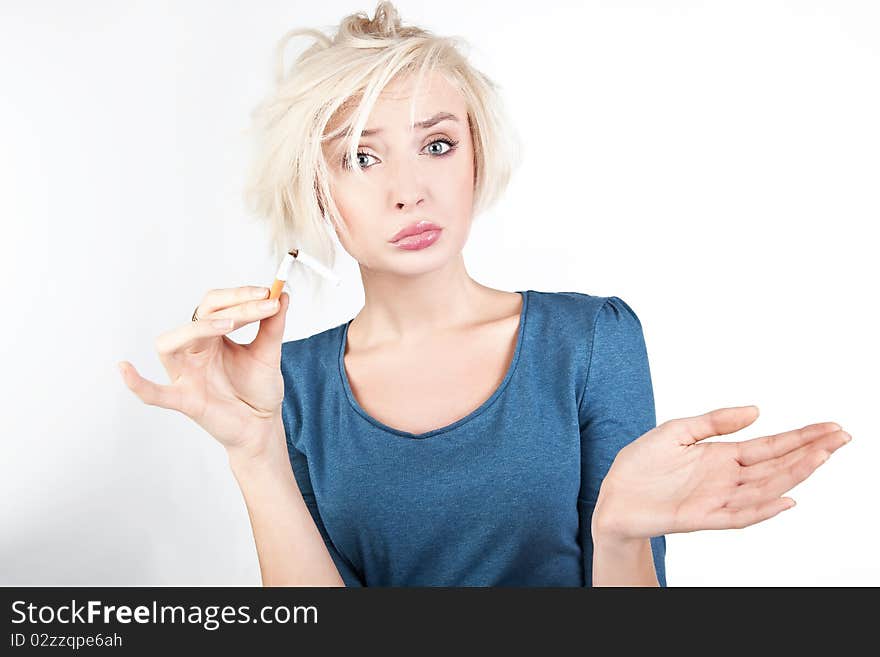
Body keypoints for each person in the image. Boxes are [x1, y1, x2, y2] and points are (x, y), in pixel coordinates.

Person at [117, 1, 850, 587]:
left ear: (476, 155)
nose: (409, 191)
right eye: (361, 157)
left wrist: (619, 534)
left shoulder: (592, 342)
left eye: (437, 144)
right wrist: (254, 452)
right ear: (316, 186)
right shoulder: (290, 385)